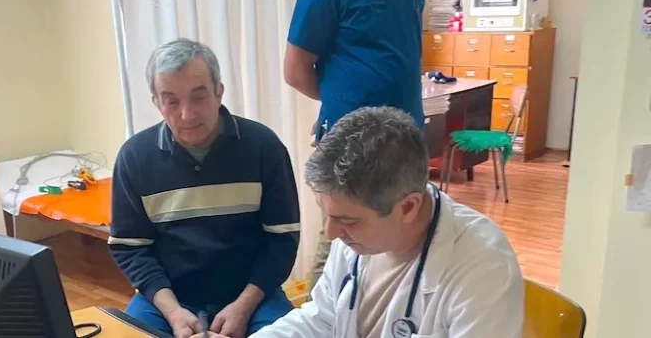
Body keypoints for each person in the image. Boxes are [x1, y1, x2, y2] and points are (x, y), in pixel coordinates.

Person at [193, 107, 524, 338]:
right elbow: (322, 319)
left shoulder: (483, 269)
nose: (331, 232)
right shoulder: (359, 238)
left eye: (346, 220)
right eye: (326, 214)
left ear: (408, 207)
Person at [282, 0, 426, 289]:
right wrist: (340, 105)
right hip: (351, 153)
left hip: (407, 144)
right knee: (340, 249)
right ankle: (319, 318)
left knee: (404, 247)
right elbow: (295, 70)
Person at [109, 38, 301, 338]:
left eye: (198, 97)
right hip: (169, 298)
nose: (187, 114)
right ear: (156, 102)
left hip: (251, 295)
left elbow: (282, 239)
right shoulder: (134, 157)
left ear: (219, 92)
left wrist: (243, 307)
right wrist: (173, 312)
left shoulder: (264, 147)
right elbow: (130, 248)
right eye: (171, 101)